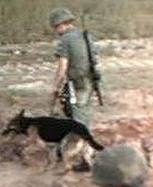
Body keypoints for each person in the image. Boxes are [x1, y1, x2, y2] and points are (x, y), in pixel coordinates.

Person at [48, 7, 100, 172]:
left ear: (60, 25)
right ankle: (86, 153)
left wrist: (55, 86)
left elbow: (63, 66)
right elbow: (93, 59)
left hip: (77, 83)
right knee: (79, 113)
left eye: (55, 27)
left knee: (79, 120)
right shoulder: (86, 36)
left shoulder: (65, 40)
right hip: (90, 82)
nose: (56, 31)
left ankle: (85, 157)